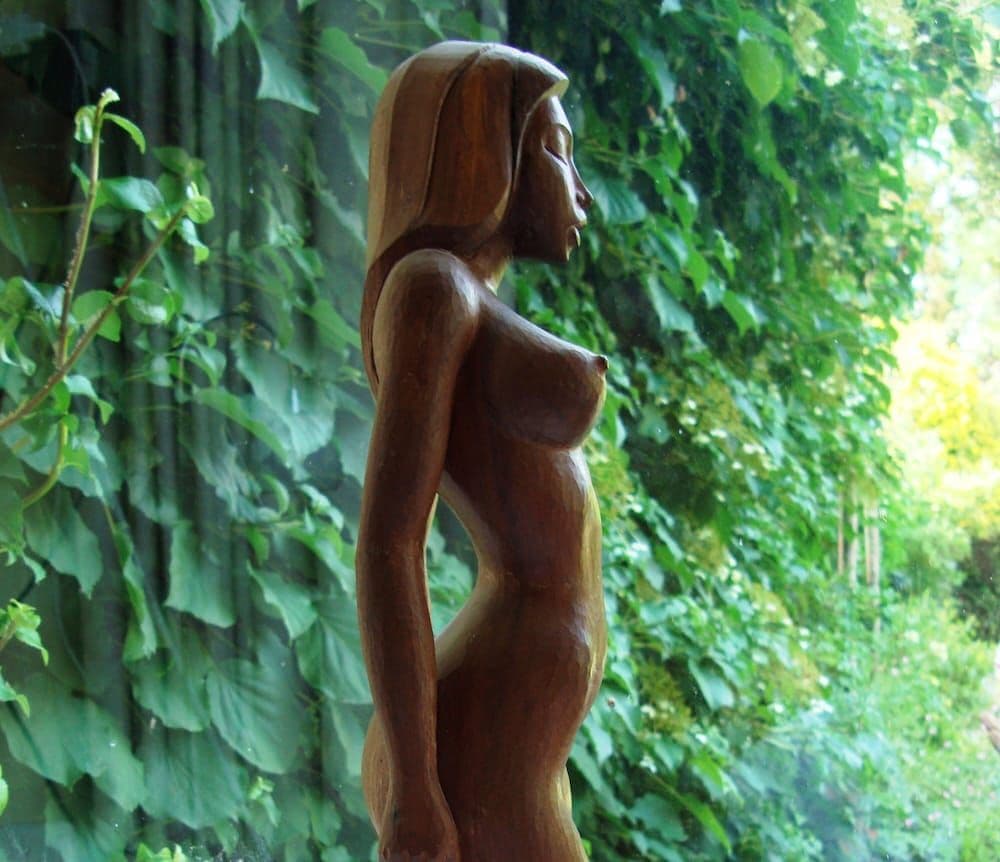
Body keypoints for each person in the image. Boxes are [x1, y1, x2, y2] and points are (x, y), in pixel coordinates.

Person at [356, 41, 605, 861]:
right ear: (483, 156)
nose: (582, 191)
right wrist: (414, 789)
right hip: (478, 760)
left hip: (512, 749)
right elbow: (390, 544)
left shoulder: (459, 294)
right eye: (557, 151)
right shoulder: (432, 288)